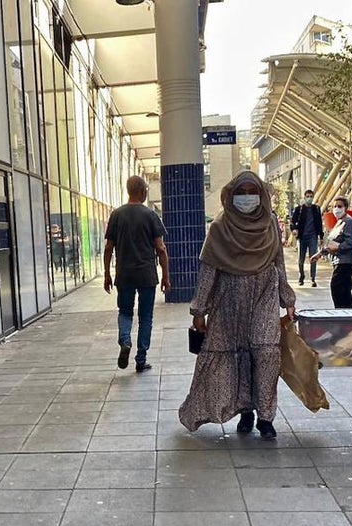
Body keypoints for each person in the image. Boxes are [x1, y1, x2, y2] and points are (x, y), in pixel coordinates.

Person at [179, 171, 296, 441]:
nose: (246, 198)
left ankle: (266, 417)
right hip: (228, 302)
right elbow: (208, 270)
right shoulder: (219, 228)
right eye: (240, 193)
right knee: (236, 358)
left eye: (251, 192)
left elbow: (279, 264)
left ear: (262, 195)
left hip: (264, 297)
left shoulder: (269, 226)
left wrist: (288, 300)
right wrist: (199, 311)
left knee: (266, 353)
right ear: (230, 196)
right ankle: (246, 410)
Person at [103, 175, 169, 373]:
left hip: (124, 274)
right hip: (147, 275)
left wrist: (107, 273)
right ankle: (141, 359)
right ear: (143, 191)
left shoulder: (116, 215)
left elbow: (108, 248)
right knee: (145, 316)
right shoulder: (150, 215)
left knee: (124, 312)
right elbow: (161, 248)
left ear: (128, 190)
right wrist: (166, 275)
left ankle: (125, 341)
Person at [313, 196, 352, 308]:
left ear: (346, 207)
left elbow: (350, 242)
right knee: (344, 289)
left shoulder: (348, 222)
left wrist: (338, 247)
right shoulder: (339, 222)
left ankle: (341, 311)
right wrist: (320, 254)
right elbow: (331, 243)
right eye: (334, 206)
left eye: (339, 206)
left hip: (346, 260)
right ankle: (348, 313)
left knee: (336, 286)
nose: (336, 209)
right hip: (338, 260)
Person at [289, 189, 324, 287]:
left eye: (311, 196)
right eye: (307, 196)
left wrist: (321, 237)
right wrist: (294, 229)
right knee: (301, 259)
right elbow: (292, 222)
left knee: (313, 257)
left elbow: (319, 224)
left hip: (313, 237)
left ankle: (313, 278)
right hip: (302, 237)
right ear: (304, 198)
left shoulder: (316, 209)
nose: (309, 198)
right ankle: (301, 276)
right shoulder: (299, 209)